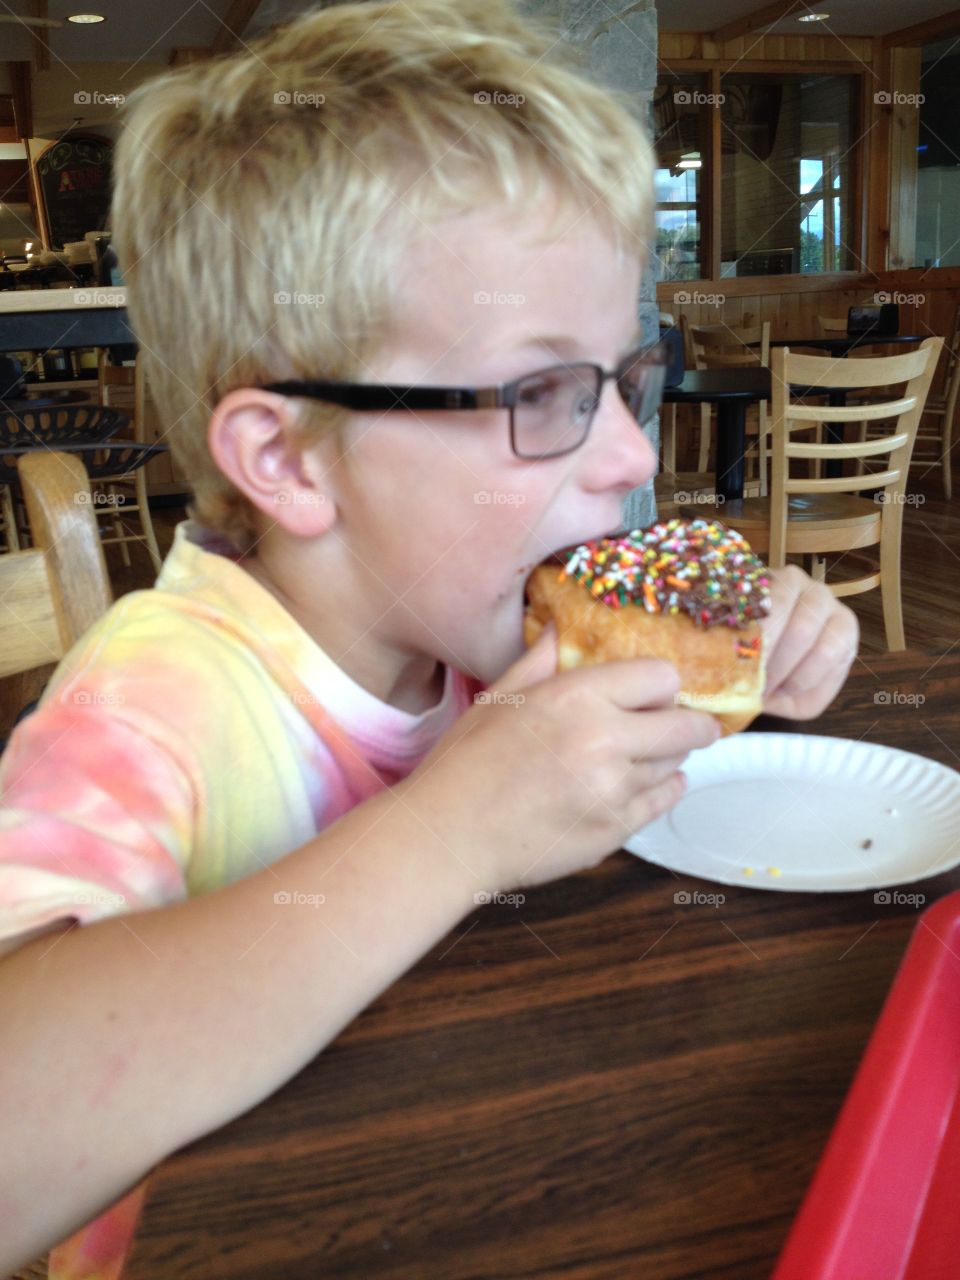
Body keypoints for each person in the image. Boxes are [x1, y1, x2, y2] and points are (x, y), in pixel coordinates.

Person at [0, 0, 858, 1273]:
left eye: (628, 377)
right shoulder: (150, 705)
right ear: (289, 457)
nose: (632, 458)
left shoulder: (483, 644)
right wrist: (455, 829)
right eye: (547, 393)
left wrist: (754, 670)